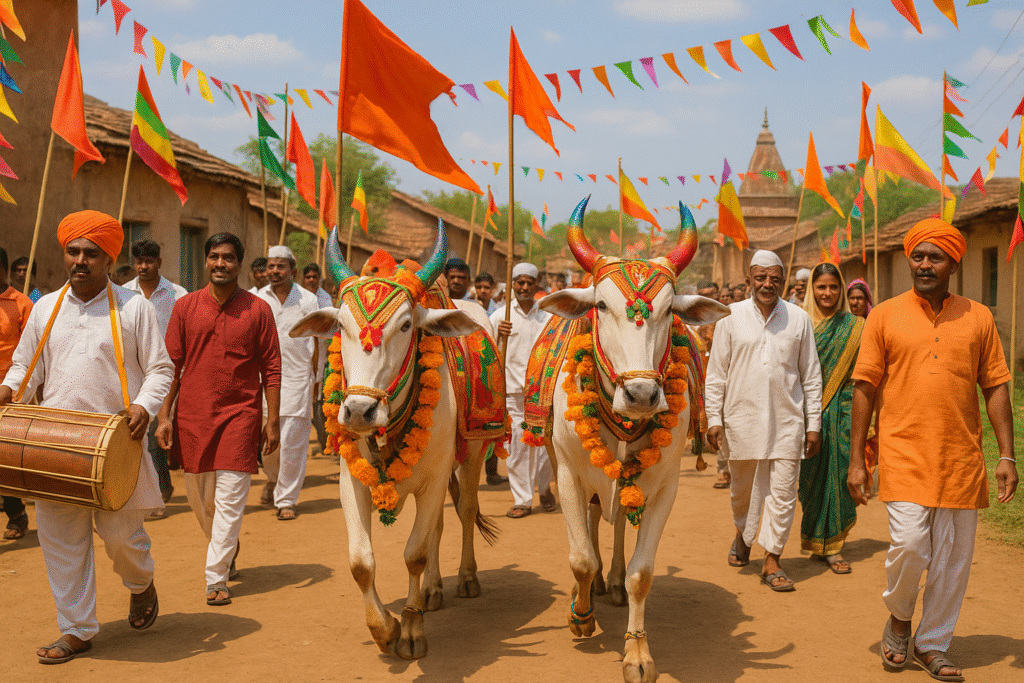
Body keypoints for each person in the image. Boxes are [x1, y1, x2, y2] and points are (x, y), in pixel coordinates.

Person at [848, 218, 1018, 681]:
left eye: (934, 257)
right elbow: (864, 387)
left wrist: (1007, 454)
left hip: (961, 457)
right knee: (909, 545)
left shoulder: (978, 317)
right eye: (918, 256)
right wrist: (857, 460)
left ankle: (934, 643)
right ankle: (900, 619)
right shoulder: (883, 314)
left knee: (952, 558)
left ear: (953, 263)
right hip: (902, 452)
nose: (924, 265)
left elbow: (997, 386)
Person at [0, 210, 173, 663]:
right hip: (54, 445)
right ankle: (76, 629)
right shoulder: (45, 307)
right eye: (73, 251)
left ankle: (140, 583)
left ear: (108, 259)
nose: (80, 260)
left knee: (121, 539)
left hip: (115, 444)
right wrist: (7, 389)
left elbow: (160, 369)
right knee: (61, 541)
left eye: (90, 253)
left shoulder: (134, 308)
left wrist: (144, 406)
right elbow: (25, 366)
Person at [158, 233, 281, 607]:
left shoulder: (258, 310)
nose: (220, 263)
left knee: (229, 499)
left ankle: (216, 577)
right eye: (214, 257)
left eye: (228, 257)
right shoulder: (185, 307)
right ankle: (226, 548)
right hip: (192, 418)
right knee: (201, 502)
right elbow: (170, 366)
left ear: (239, 264)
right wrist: (164, 415)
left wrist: (271, 420)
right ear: (206, 261)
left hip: (241, 416)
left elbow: (272, 369)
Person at [705, 250, 822, 592]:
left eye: (774, 278)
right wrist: (715, 418)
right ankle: (743, 532)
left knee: (783, 494)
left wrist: (812, 423)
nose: (767, 284)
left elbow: (811, 376)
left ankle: (772, 560)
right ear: (749, 281)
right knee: (741, 494)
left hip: (788, 422)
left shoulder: (798, 319)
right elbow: (717, 375)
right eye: (760, 278)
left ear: (783, 282)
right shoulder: (729, 317)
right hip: (741, 422)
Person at [798, 263, 863, 575]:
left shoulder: (855, 326)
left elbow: (863, 373)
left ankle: (833, 545)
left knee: (838, 475)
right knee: (808, 482)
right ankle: (813, 537)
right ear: (812, 288)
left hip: (841, 415)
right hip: (801, 414)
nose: (827, 293)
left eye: (834, 287)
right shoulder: (798, 322)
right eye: (821, 287)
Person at [257, 245, 322, 520]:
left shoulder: (308, 301)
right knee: (267, 442)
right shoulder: (257, 298)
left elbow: (317, 342)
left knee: (293, 442)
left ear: (292, 271)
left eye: (280, 266)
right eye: (271, 266)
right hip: (262, 382)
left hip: (297, 380)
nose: (273, 271)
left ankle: (286, 500)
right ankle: (273, 478)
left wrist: (316, 379)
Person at [123, 239, 188, 515]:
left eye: (149, 261)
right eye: (138, 261)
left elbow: (187, 335)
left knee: (157, 431)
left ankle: (160, 490)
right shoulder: (123, 294)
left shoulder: (178, 294)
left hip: (167, 374)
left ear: (159, 263)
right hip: (133, 374)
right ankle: (156, 489)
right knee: (140, 434)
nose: (143, 266)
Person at [491, 262, 554, 518]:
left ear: (536, 284)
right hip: (513, 393)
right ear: (513, 284)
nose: (525, 287)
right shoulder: (500, 317)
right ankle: (522, 500)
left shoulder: (548, 315)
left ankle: (544, 487)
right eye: (520, 282)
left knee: (545, 448)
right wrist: (498, 335)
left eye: (529, 282)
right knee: (518, 447)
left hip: (543, 391)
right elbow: (488, 351)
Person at [0, 246, 33, 541]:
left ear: (4, 270)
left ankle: (17, 514)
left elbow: (29, 352)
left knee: (4, 458)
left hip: (9, 393)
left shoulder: (22, 303)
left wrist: (13, 389)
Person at [695, 281, 728, 489]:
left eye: (712, 294)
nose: (709, 297)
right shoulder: (693, 318)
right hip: (705, 379)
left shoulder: (731, 316)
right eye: (703, 294)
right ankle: (723, 471)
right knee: (717, 423)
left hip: (731, 378)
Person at [301, 263, 331, 456]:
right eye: (308, 277)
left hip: (319, 355)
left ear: (319, 278)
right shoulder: (297, 297)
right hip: (298, 354)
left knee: (316, 398)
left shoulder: (324, 299)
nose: (311, 280)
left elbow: (326, 328)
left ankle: (324, 440)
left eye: (314, 277)